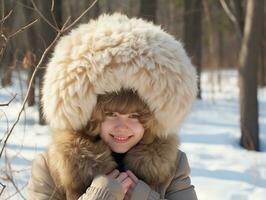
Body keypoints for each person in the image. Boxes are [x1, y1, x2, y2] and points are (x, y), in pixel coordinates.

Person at [27, 13, 198, 200]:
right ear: (90, 116)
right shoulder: (51, 166)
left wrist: (144, 197)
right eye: (111, 114)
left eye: (134, 116)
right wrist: (99, 196)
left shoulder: (173, 165)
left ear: (151, 122)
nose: (122, 126)